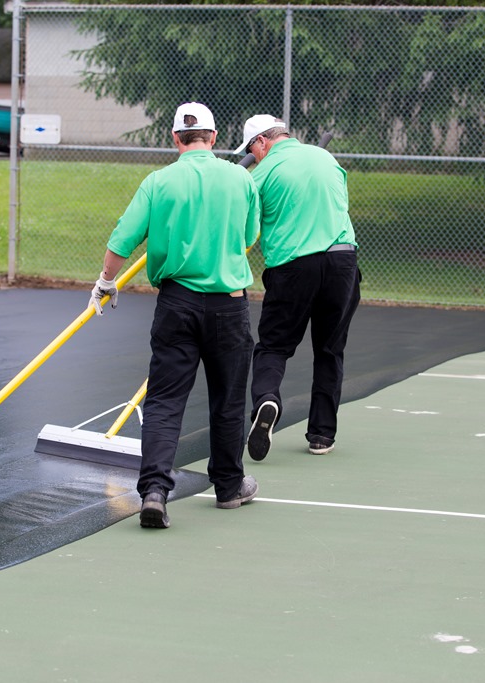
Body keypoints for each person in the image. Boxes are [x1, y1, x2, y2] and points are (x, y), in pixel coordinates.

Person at [89, 102, 261, 529]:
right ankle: (228, 487)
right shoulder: (241, 178)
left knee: (165, 402)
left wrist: (106, 281)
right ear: (215, 138)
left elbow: (122, 238)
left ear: (175, 139)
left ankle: (154, 492)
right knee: (228, 399)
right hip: (229, 302)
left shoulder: (158, 181)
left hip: (176, 303)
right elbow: (249, 236)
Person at [235, 115, 361, 460]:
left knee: (274, 347)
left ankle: (267, 400)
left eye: (251, 150)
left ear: (261, 142)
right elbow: (339, 207)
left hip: (293, 267)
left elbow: (247, 232)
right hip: (342, 261)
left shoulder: (257, 176)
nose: (253, 156)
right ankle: (322, 435)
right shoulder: (327, 159)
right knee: (330, 349)